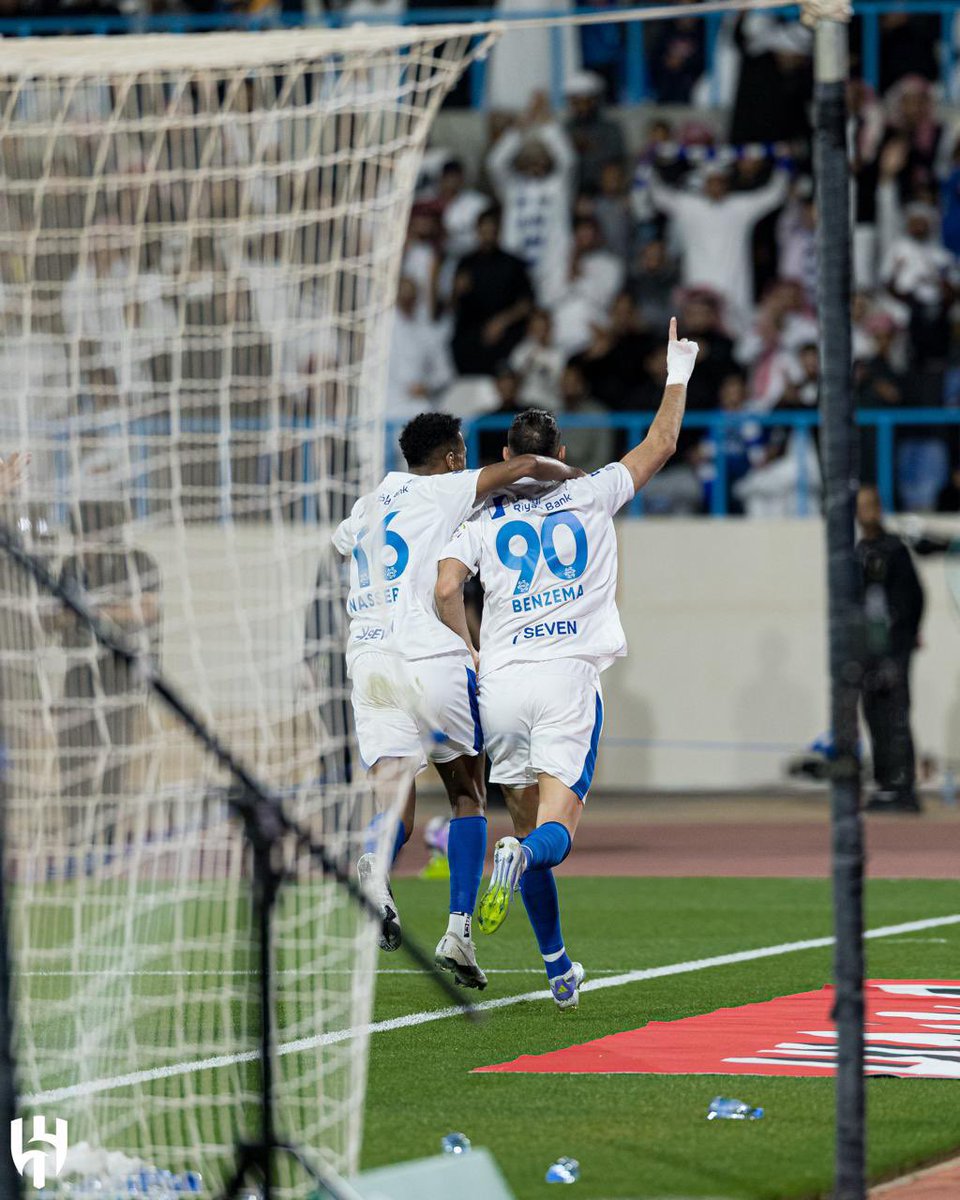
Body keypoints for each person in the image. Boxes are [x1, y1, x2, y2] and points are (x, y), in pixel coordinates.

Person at [434, 319, 698, 1009]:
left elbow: (442, 587)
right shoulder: (592, 491)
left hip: (498, 684)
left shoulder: (481, 521)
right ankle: (519, 859)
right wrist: (678, 370)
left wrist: (465, 647)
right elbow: (662, 442)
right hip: (566, 679)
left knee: (522, 826)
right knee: (554, 831)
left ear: (505, 453)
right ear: (561, 452)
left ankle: (557, 966)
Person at [331, 412, 582, 989]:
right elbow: (520, 466)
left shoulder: (369, 503)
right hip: (430, 657)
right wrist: (577, 474)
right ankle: (458, 930)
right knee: (468, 794)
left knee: (393, 802)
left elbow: (340, 542)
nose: (467, 462)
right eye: (463, 453)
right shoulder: (445, 489)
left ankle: (376, 863)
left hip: (369, 662)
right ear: (448, 458)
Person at [648, 163, 789, 330]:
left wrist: (783, 165)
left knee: (736, 334)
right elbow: (659, 195)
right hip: (699, 289)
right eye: (712, 182)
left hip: (734, 291)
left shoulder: (740, 207)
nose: (716, 186)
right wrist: (649, 165)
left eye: (720, 182)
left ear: (727, 183)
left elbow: (774, 194)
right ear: (704, 184)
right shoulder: (689, 206)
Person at [855, 485, 924, 814]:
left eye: (870, 505)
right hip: (869, 646)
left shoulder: (894, 549)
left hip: (893, 647)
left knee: (896, 713)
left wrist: (908, 638)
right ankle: (885, 783)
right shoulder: (858, 551)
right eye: (860, 506)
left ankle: (903, 786)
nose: (865, 512)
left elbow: (914, 597)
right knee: (873, 712)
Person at [450, 206, 534, 377]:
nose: (488, 233)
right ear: (477, 231)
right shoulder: (466, 263)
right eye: (484, 229)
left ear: (499, 231)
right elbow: (454, 304)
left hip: (505, 334)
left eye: (492, 229)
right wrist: (457, 291)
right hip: (472, 336)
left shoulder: (513, 263)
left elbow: (526, 304)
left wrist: (501, 322)